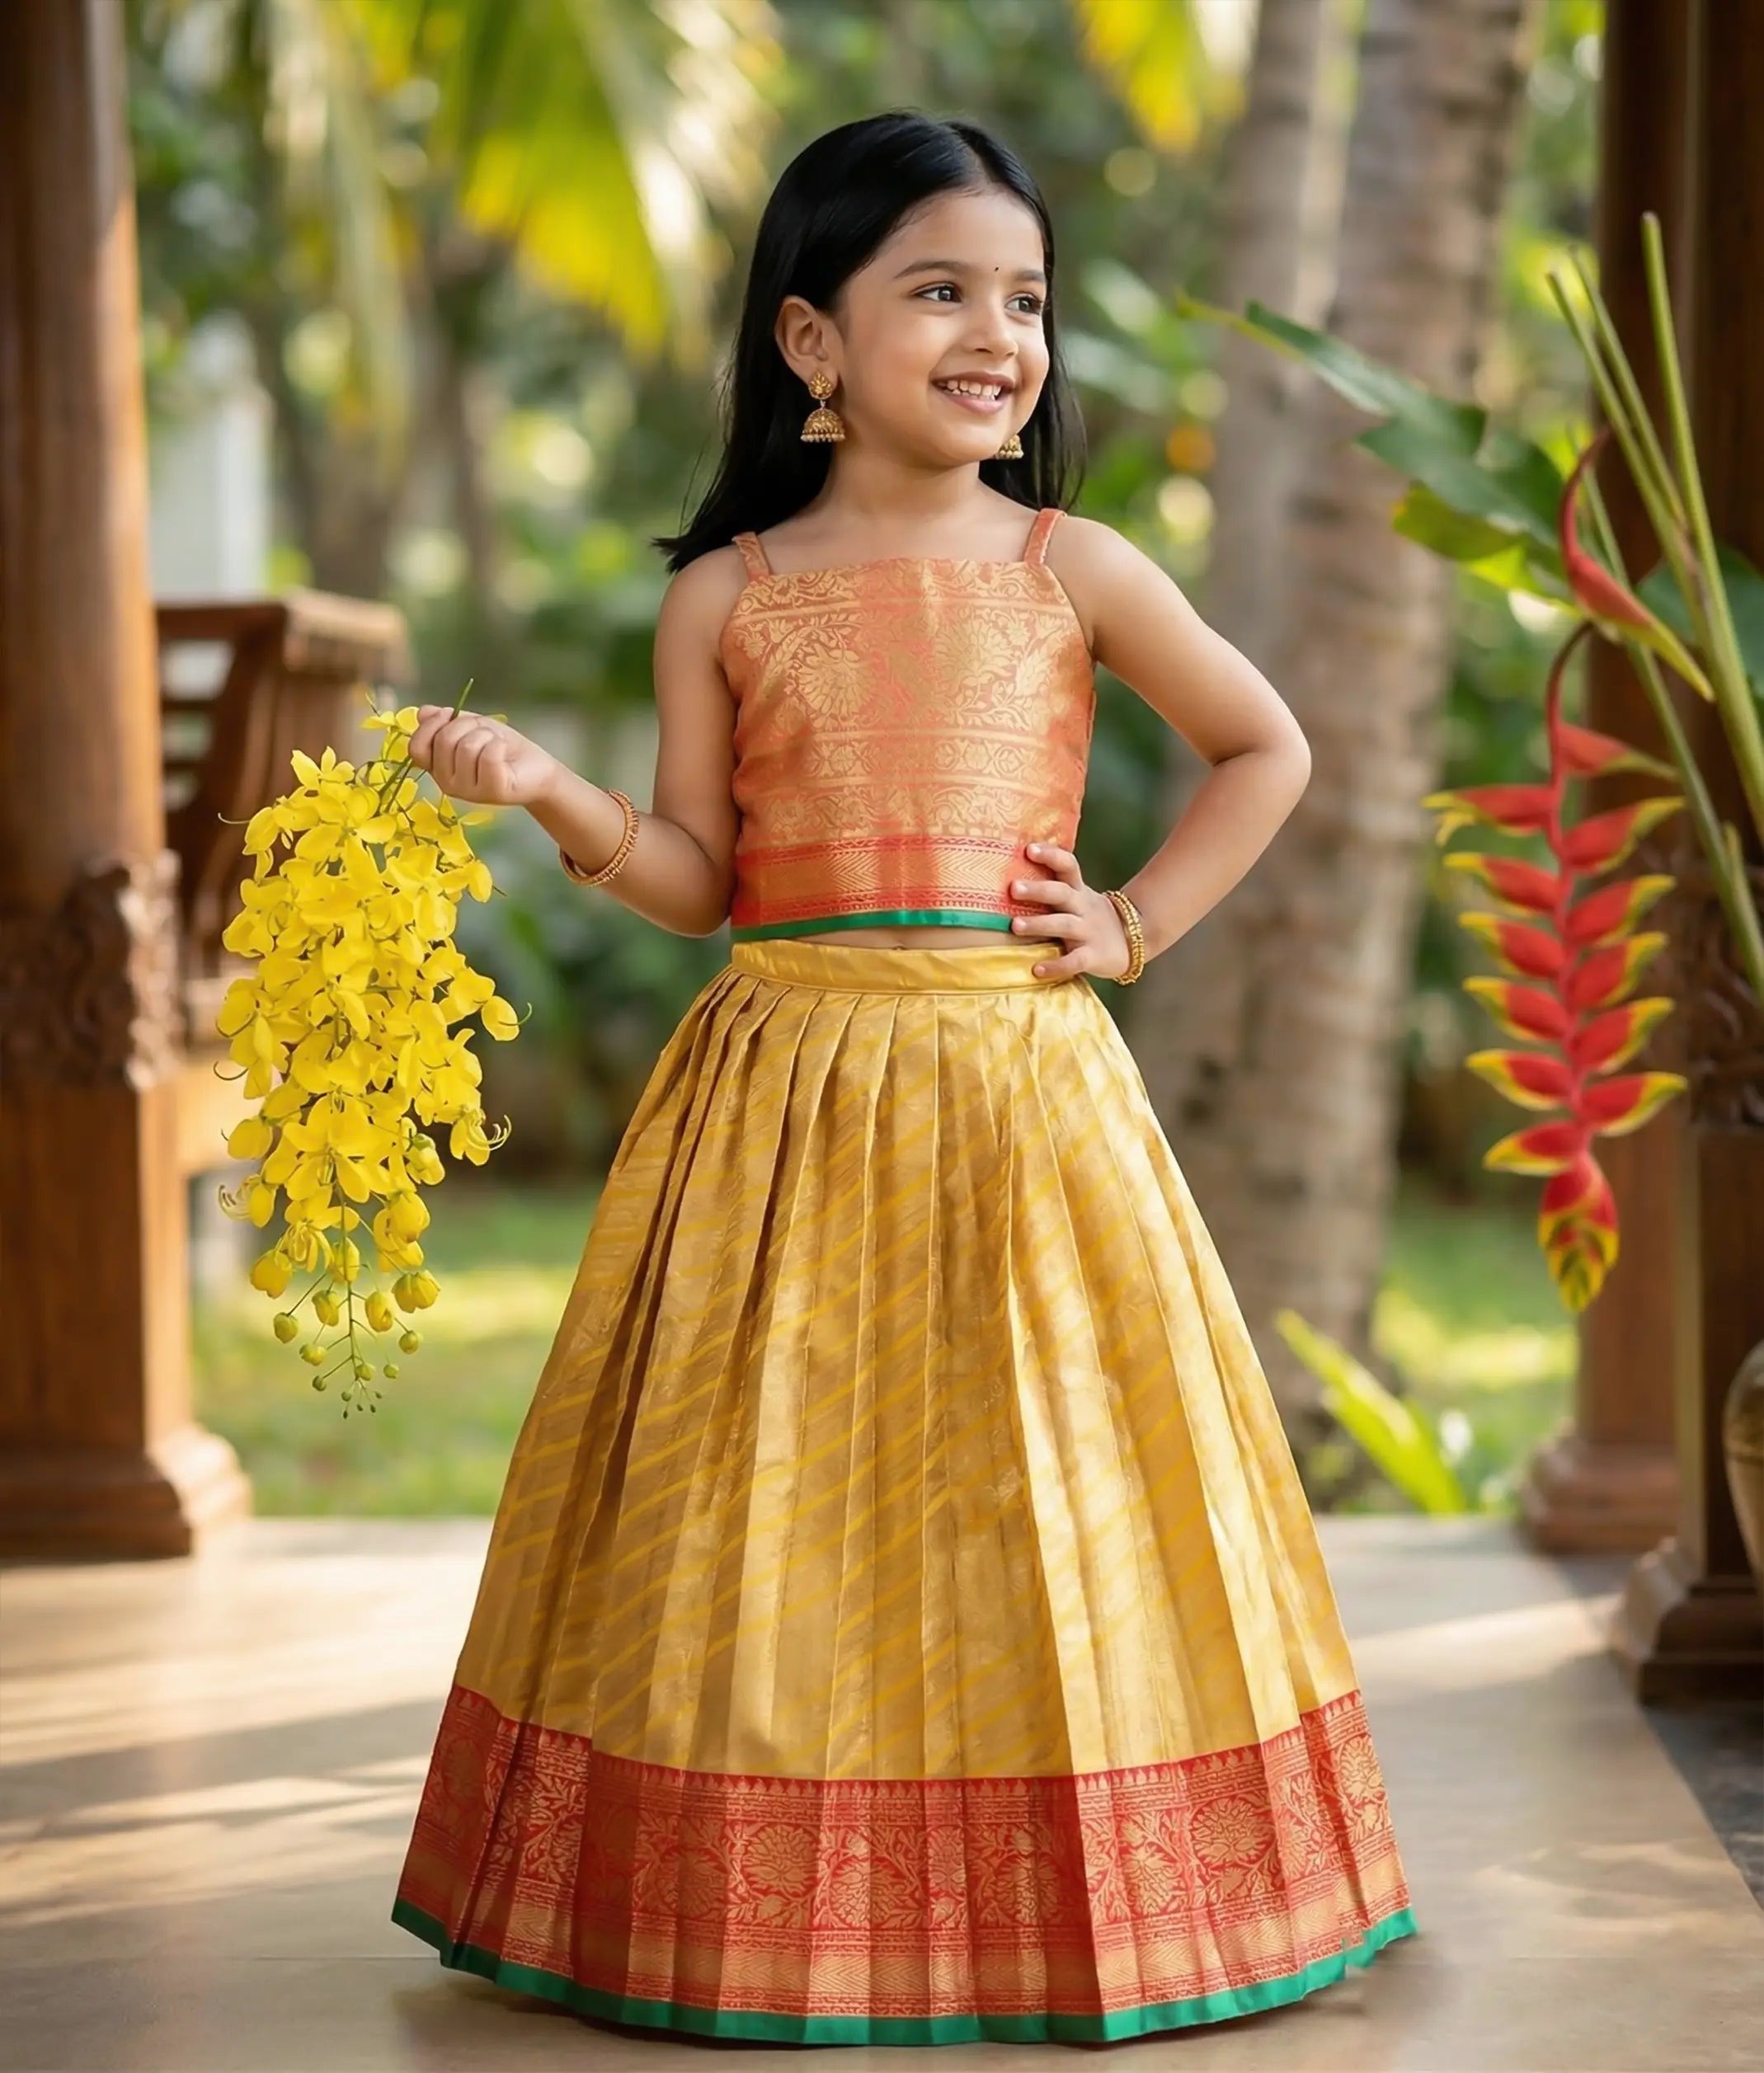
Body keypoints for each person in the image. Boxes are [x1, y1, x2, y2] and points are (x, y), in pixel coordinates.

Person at [388, 109, 1418, 2047]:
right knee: (755, 1488)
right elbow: (704, 882)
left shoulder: (1071, 566)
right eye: (937, 289)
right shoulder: (729, 594)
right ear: (808, 346)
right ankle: (760, 1919)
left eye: (1021, 299)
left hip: (1022, 1096)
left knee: (1048, 1478)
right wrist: (549, 798)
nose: (996, 334)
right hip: (780, 1100)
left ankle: (1075, 1905)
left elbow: (1261, 747)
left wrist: (1130, 924)